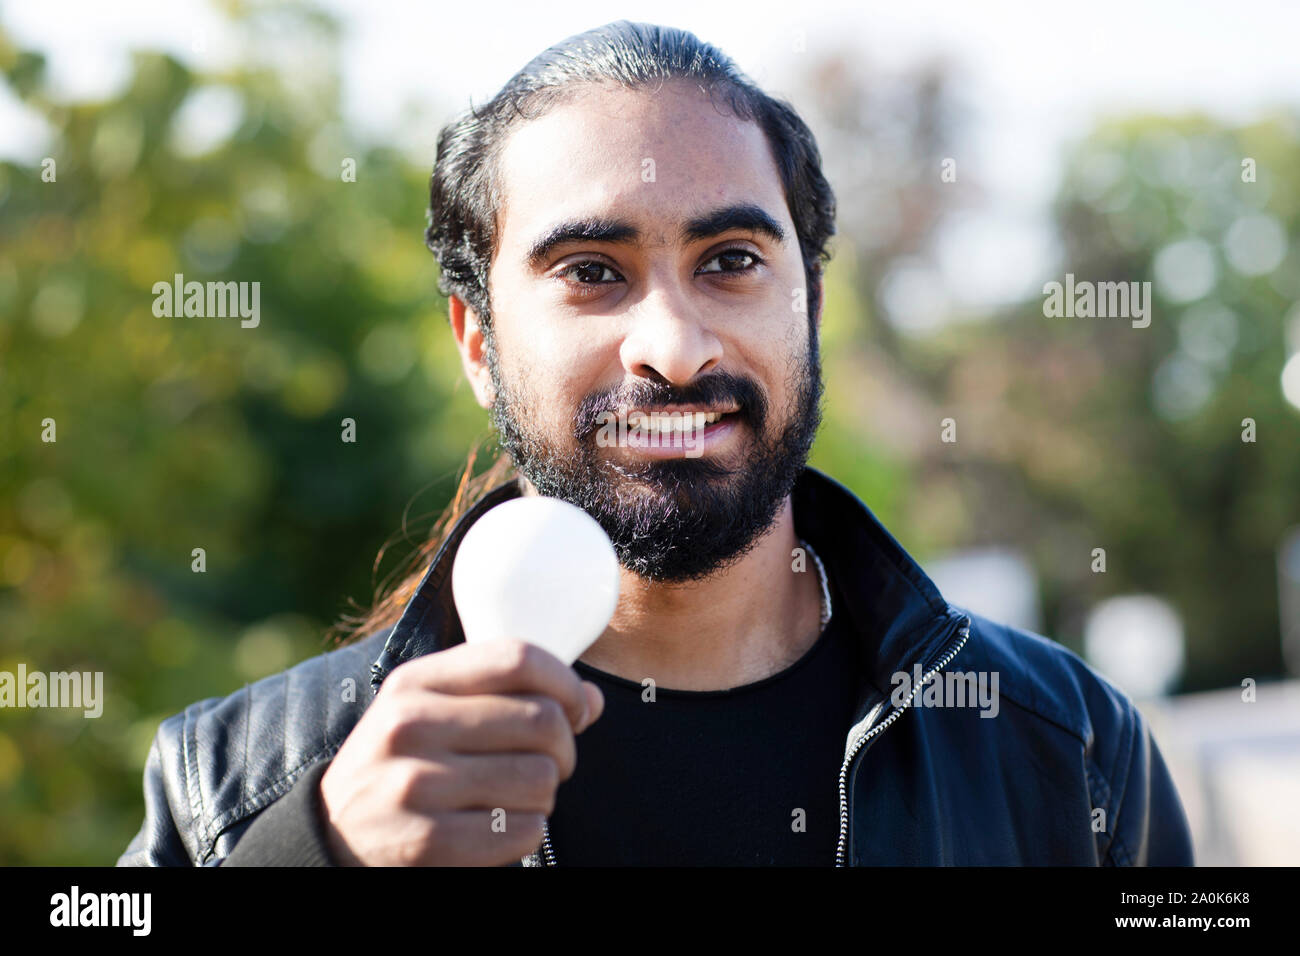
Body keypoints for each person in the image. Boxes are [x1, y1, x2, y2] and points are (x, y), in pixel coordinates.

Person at [118, 20, 1194, 867]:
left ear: (810, 303)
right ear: (478, 341)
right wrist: (310, 856)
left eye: (730, 259)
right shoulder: (242, 777)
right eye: (591, 270)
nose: (675, 348)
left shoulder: (1067, 746)